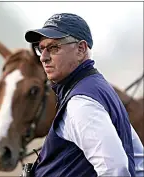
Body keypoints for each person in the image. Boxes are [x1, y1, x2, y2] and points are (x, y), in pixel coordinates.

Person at [25, 13, 143, 177]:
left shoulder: (81, 103)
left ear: (80, 49)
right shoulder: (98, 87)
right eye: (41, 49)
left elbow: (115, 170)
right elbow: (138, 159)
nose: (43, 58)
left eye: (53, 48)